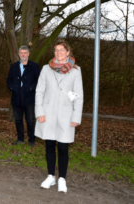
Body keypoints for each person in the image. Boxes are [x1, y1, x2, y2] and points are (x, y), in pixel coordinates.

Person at [35, 39, 83, 193]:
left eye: (62, 50)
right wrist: (40, 112)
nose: (59, 53)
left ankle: (62, 178)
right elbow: (39, 91)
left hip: (66, 114)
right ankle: (51, 176)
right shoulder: (45, 69)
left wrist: (76, 117)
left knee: (63, 147)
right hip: (47, 114)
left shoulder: (75, 71)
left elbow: (78, 96)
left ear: (68, 52)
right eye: (56, 50)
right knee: (49, 146)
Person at [7, 45, 41, 147]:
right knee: (18, 120)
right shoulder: (14, 66)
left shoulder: (34, 66)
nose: (23, 54)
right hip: (16, 98)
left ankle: (32, 139)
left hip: (29, 98)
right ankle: (20, 139)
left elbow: (39, 81)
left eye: (25, 53)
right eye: (21, 53)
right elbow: (9, 80)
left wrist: (30, 88)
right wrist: (12, 88)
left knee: (30, 120)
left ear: (28, 54)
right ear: (19, 54)